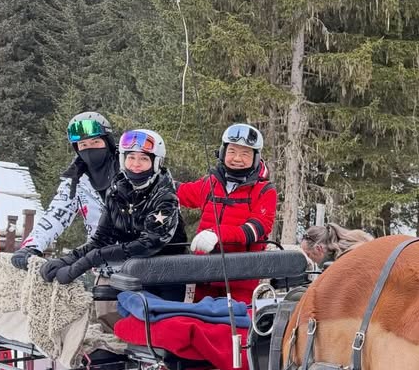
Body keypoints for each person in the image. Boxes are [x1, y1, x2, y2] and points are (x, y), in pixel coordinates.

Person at [41, 128, 184, 286]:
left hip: (166, 276)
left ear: (156, 162)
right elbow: (102, 238)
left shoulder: (165, 197)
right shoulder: (117, 192)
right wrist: (68, 260)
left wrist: (93, 258)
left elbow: (149, 243)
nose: (136, 164)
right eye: (131, 157)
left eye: (143, 158)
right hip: (129, 273)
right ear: (123, 159)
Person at [176, 123, 278, 302]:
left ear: (255, 157)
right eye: (232, 151)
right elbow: (181, 192)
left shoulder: (264, 190)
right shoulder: (210, 183)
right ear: (223, 152)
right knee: (199, 321)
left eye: (245, 153)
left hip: (241, 276)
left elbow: (256, 228)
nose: (237, 158)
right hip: (204, 274)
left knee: (234, 326)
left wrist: (217, 234)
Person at [11, 112, 119, 270]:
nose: (89, 149)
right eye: (83, 145)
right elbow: (56, 215)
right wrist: (33, 246)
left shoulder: (131, 169)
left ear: (107, 141)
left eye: (95, 142)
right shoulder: (76, 181)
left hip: (142, 261)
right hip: (104, 265)